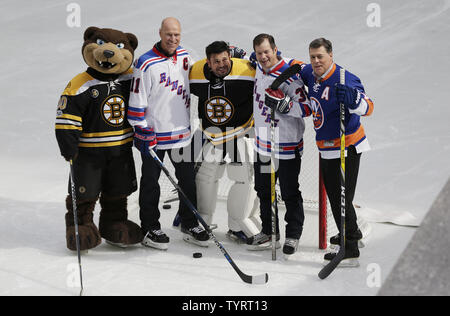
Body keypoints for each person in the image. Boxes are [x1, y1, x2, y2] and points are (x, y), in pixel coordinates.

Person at [127, 17, 209, 250]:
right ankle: (150, 228)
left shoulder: (184, 56)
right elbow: (136, 102)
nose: (173, 39)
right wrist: (141, 129)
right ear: (160, 33)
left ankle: (188, 222)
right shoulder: (145, 63)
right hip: (154, 138)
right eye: (168, 34)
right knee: (151, 183)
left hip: (181, 135)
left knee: (187, 181)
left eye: (177, 35)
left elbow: (200, 77)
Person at [299, 37, 374, 264]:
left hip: (347, 147)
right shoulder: (310, 73)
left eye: (320, 56)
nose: (316, 61)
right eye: (312, 57)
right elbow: (296, 66)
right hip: (328, 148)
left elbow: (369, 107)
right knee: (337, 197)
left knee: (340, 198)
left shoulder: (345, 78)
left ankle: (349, 247)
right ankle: (351, 232)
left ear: (331, 55)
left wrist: (354, 100)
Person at [188, 40, 261, 243]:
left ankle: (238, 225)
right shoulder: (195, 73)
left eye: (224, 59)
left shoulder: (247, 70)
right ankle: (201, 221)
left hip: (240, 132)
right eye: (216, 61)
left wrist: (252, 58)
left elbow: (273, 70)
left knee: (243, 178)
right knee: (205, 177)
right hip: (211, 135)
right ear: (208, 63)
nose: (221, 64)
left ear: (230, 57)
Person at [248, 34, 310, 256]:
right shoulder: (257, 67)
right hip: (263, 144)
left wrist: (285, 105)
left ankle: (293, 234)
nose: (263, 56)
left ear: (275, 50)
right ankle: (269, 230)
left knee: (289, 191)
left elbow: (308, 108)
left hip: (287, 145)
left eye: (267, 51)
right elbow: (247, 58)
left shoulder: (290, 76)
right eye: (259, 53)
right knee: (264, 190)